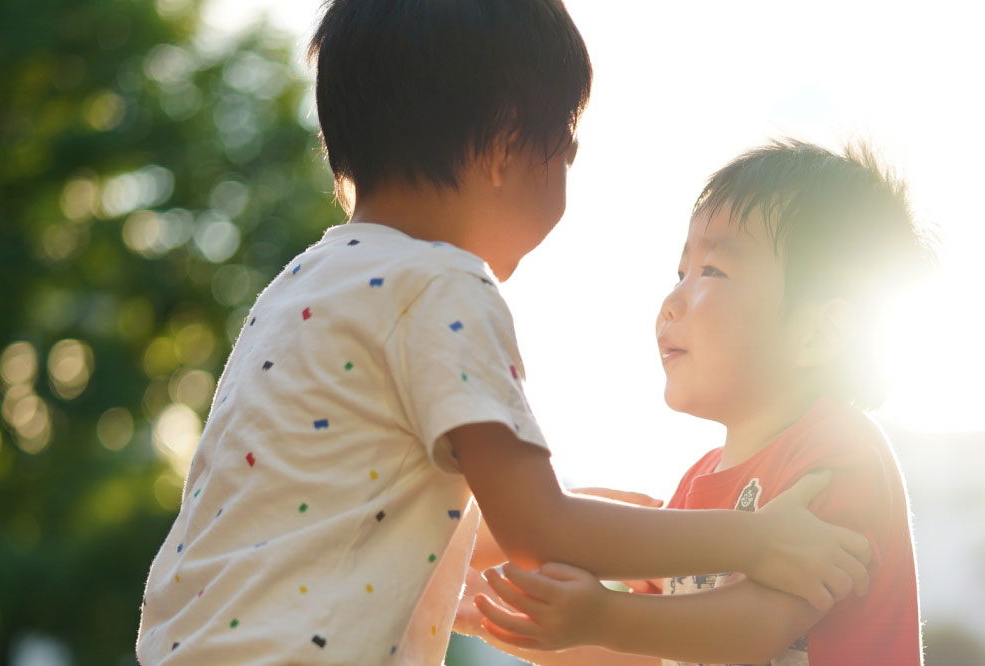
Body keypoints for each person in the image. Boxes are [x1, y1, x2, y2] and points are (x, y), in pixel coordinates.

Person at [133, 3, 871, 663]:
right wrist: (757, 539)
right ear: (505, 149)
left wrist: (622, 523)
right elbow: (540, 529)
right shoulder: (443, 288)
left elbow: (405, 511)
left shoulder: (305, 284)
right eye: (566, 149)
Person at [460, 139, 932, 665]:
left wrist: (604, 615)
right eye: (679, 273)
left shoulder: (840, 457)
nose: (671, 303)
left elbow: (756, 627)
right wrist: (499, 622)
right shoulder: (697, 485)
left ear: (817, 334)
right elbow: (653, 653)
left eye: (713, 272)